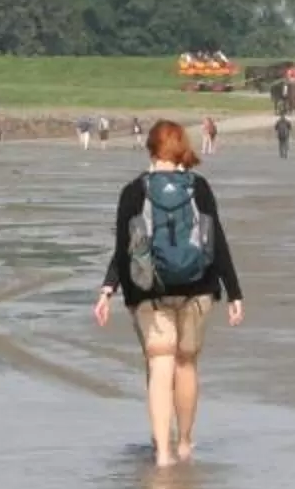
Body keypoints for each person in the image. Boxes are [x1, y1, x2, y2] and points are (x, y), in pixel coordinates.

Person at [94, 121, 246, 465]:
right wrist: (235, 293)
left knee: (160, 364)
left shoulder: (133, 191)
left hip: (148, 290)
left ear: (150, 148)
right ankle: (185, 443)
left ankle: (162, 453)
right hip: (199, 289)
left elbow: (123, 249)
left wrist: (108, 290)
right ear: (181, 148)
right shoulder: (200, 187)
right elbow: (217, 240)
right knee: (187, 364)